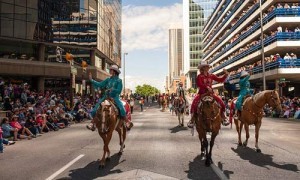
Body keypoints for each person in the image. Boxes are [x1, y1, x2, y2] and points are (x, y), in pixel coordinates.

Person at [86, 65, 133, 131]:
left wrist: (113, 90)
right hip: (106, 97)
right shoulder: (108, 79)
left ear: (114, 71)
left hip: (115, 97)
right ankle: (93, 123)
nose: (110, 71)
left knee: (121, 108)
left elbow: (119, 91)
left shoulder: (119, 81)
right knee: (95, 109)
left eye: (111, 70)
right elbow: (100, 84)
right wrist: (91, 80)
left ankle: (127, 121)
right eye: (110, 70)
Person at [188, 61, 230, 127]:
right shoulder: (199, 76)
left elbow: (220, 80)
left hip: (210, 94)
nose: (208, 67)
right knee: (194, 104)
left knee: (221, 102)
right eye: (206, 66)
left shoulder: (211, 75)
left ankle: (223, 117)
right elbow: (199, 84)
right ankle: (192, 119)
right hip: (202, 94)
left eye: (208, 66)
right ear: (203, 68)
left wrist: (225, 75)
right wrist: (207, 87)